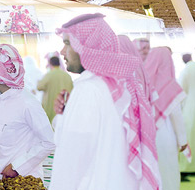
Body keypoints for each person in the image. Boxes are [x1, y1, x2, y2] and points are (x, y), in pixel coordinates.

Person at [50, 13, 161, 190]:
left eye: (67, 43)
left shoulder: (88, 89)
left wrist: (65, 117)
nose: (62, 51)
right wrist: (65, 114)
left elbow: (70, 161)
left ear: (87, 47)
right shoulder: (125, 86)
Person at [0, 44, 55, 180]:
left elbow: (49, 142)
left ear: (2, 74)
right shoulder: (1, 100)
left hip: (23, 180)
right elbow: (5, 130)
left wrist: (18, 167)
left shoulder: (27, 103)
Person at [144, 47, 188, 190]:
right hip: (166, 136)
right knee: (168, 175)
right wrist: (183, 141)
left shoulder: (144, 82)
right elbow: (176, 116)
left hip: (147, 137)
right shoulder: (169, 85)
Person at [37, 56, 73, 123]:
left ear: (50, 64)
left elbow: (39, 87)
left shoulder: (49, 75)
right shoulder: (67, 76)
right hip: (64, 109)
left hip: (50, 107)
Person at [179, 52, 195, 176]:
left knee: (188, 138)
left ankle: (187, 168)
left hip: (190, 108)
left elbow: (180, 91)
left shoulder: (186, 71)